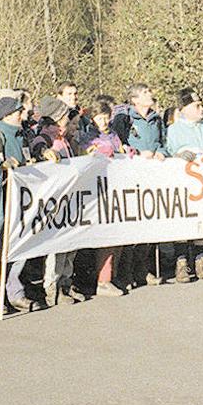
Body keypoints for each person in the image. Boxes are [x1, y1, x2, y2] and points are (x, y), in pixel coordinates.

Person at [0, 94, 36, 313]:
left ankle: (15, 291)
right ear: (7, 115)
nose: (23, 115)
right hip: (0, 199)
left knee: (18, 246)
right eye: (19, 112)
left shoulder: (22, 136)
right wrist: (1, 165)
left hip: (21, 199)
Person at [30, 97, 88, 305]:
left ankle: (66, 282)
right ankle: (52, 287)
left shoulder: (65, 139)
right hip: (55, 199)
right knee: (58, 246)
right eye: (63, 118)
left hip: (70, 196)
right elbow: (38, 148)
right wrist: (46, 152)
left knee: (71, 244)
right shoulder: (46, 136)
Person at [111, 83, 167, 286]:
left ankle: (143, 269)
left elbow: (163, 141)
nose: (150, 94)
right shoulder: (124, 119)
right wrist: (134, 153)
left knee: (150, 222)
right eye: (145, 93)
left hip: (152, 175)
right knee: (131, 223)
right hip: (131, 175)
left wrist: (162, 151)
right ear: (134, 99)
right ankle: (125, 272)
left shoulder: (156, 119)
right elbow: (118, 143)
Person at [165, 88, 203, 281]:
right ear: (184, 109)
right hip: (184, 186)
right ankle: (181, 263)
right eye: (196, 105)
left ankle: (202, 261)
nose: (201, 108)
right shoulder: (174, 130)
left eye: (201, 104)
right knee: (183, 224)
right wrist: (177, 156)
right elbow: (166, 152)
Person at [79, 100, 128, 297]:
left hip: (115, 186)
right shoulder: (89, 136)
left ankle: (113, 274)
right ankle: (102, 279)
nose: (104, 121)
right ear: (93, 119)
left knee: (118, 235)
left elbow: (120, 149)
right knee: (106, 236)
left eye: (107, 117)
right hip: (97, 189)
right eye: (100, 117)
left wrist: (126, 152)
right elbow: (84, 154)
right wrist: (98, 152)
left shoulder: (114, 135)